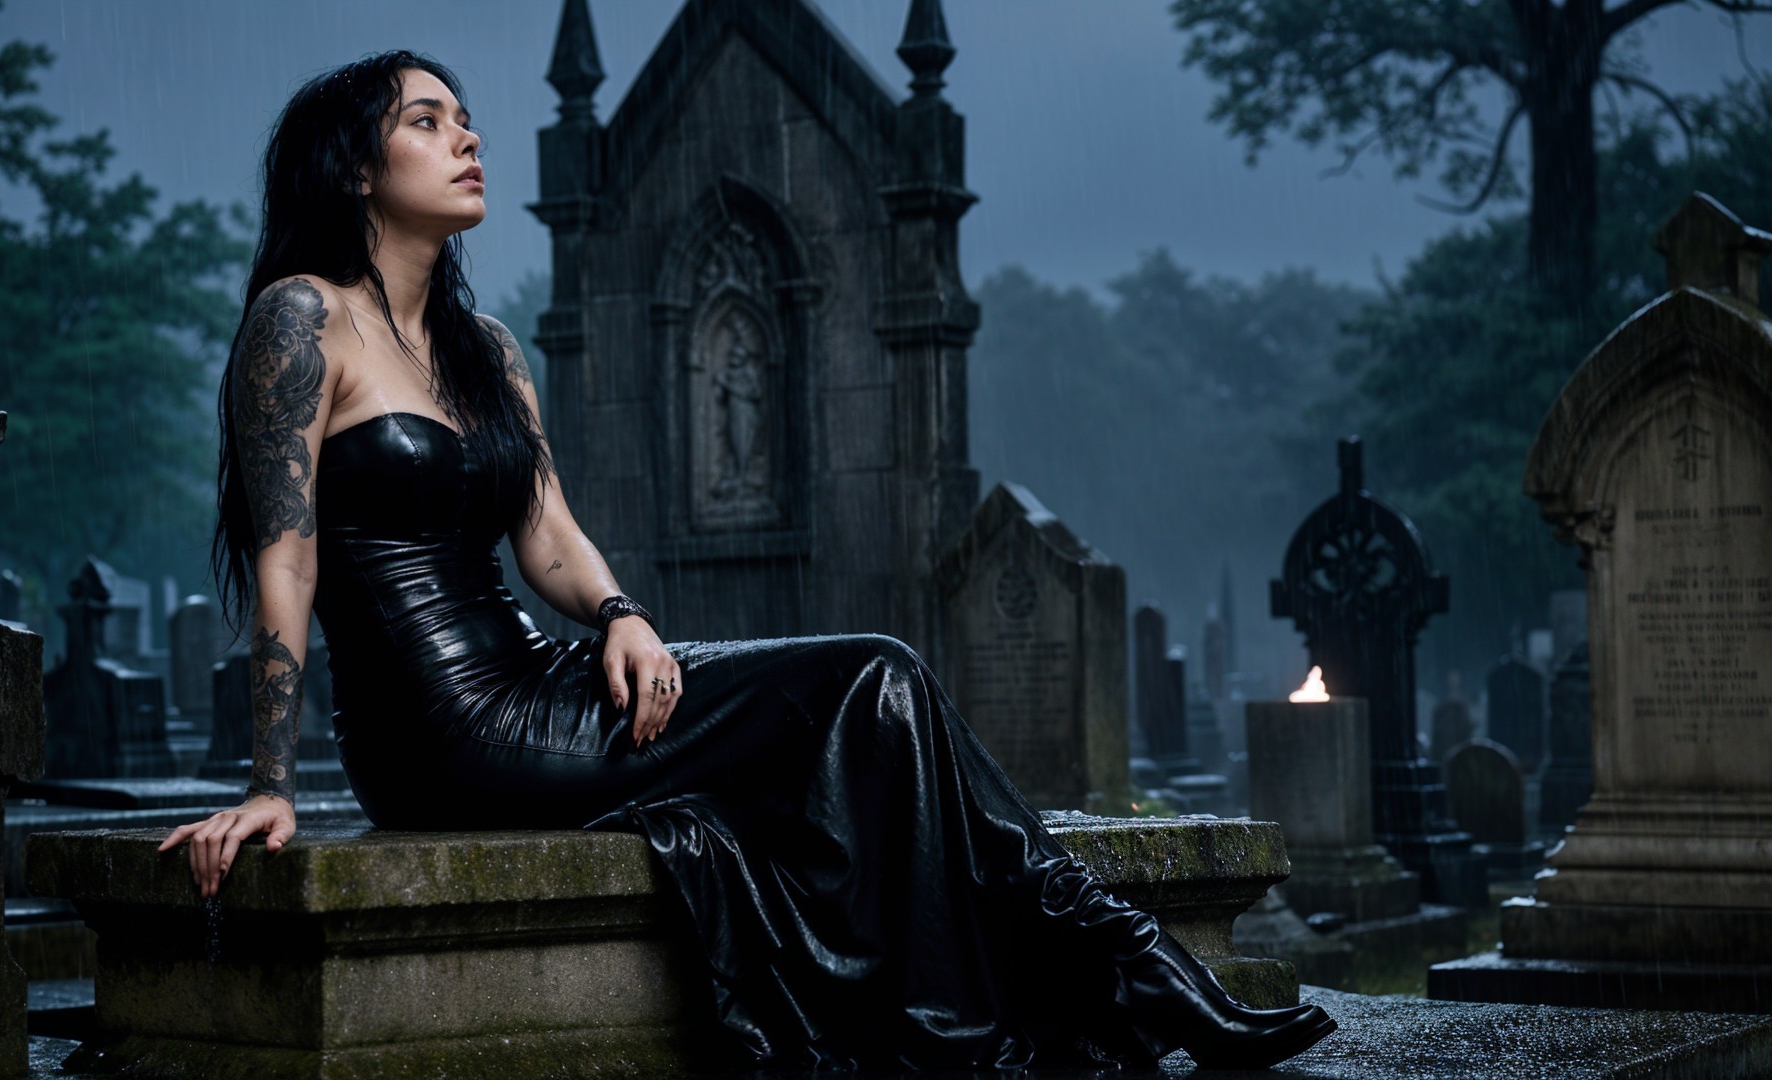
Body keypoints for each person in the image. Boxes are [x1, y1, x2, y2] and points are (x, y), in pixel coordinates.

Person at [158, 50, 1336, 1072]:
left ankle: (1083, 972)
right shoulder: (302, 320)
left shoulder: (487, 348)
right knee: (871, 677)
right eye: (426, 120)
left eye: (465, 117)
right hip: (442, 731)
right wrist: (271, 784)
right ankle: (1117, 964)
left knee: (875, 696)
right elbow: (287, 563)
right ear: (355, 169)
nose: (466, 136)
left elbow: (550, 536)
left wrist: (621, 614)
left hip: (544, 681)